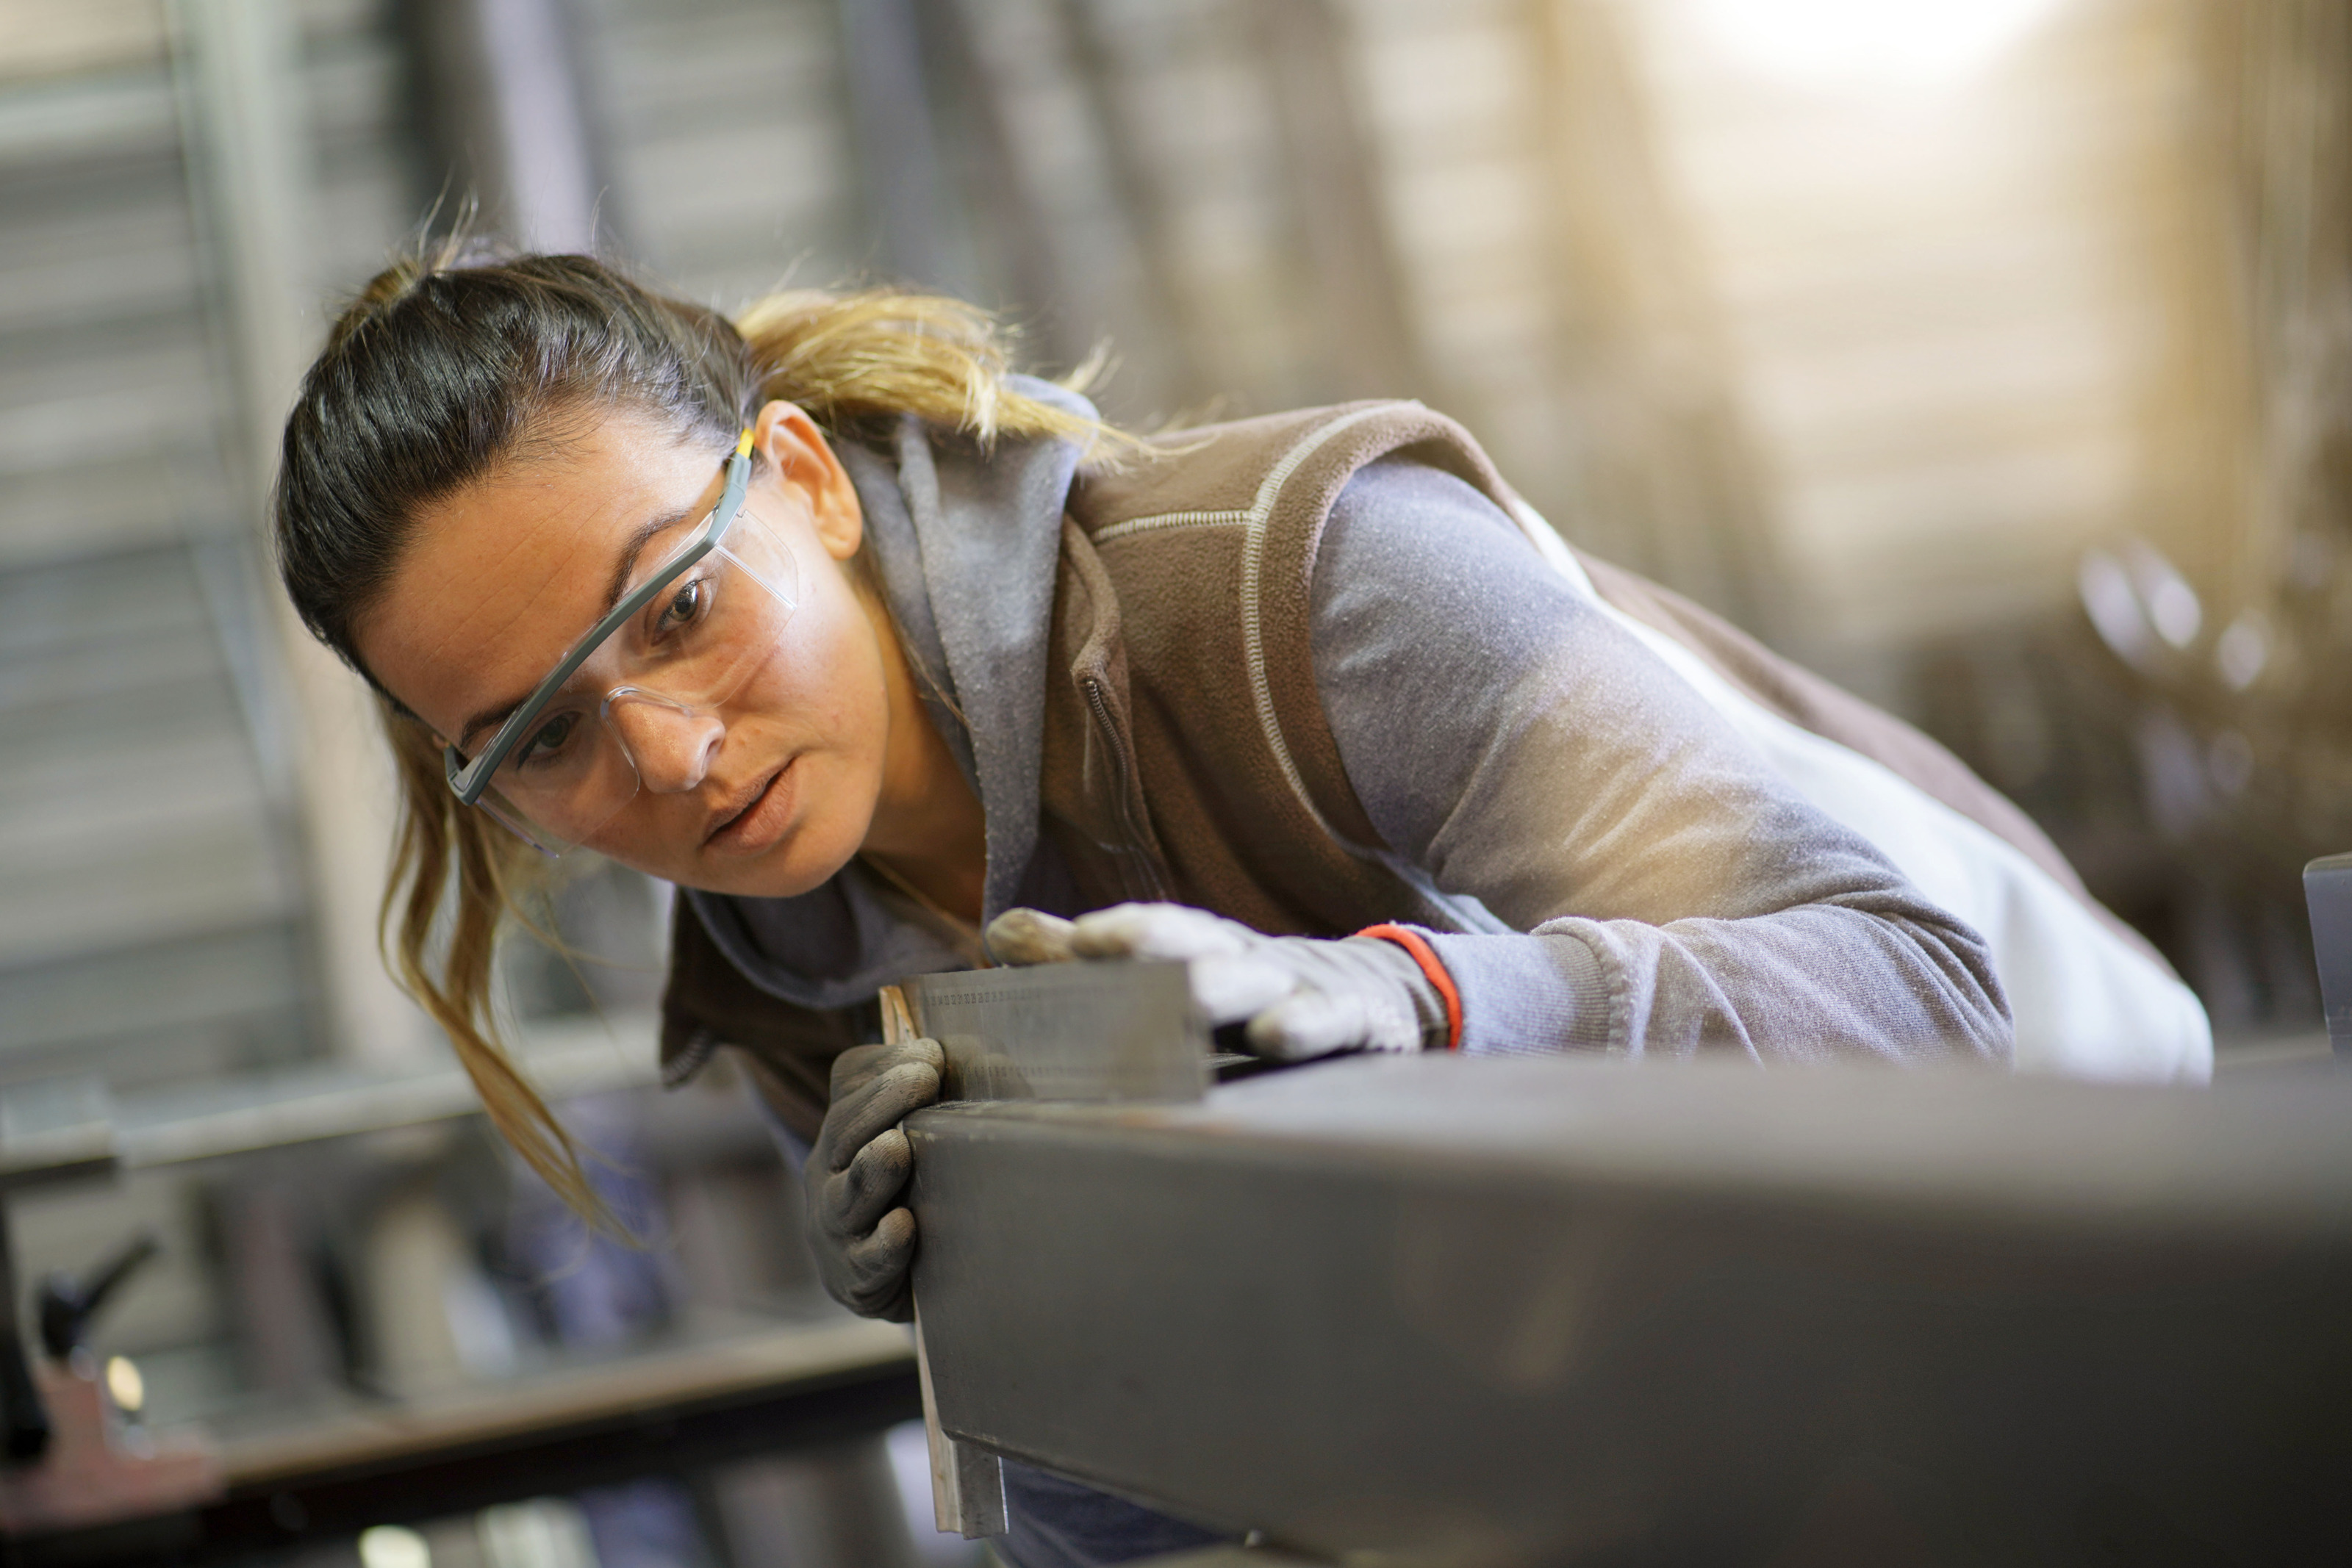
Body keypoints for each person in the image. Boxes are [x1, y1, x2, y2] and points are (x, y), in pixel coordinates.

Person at [272, 243, 2200, 1567]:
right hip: (1637, 1426)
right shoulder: (797, 963)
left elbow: (1919, 992)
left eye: (680, 608)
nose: (671, 761)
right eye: (540, 736)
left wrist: (1406, 1009)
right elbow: (1173, 1492)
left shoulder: (1304, 587)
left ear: (804, 480)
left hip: (2087, 1287)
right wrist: (1003, 1312)